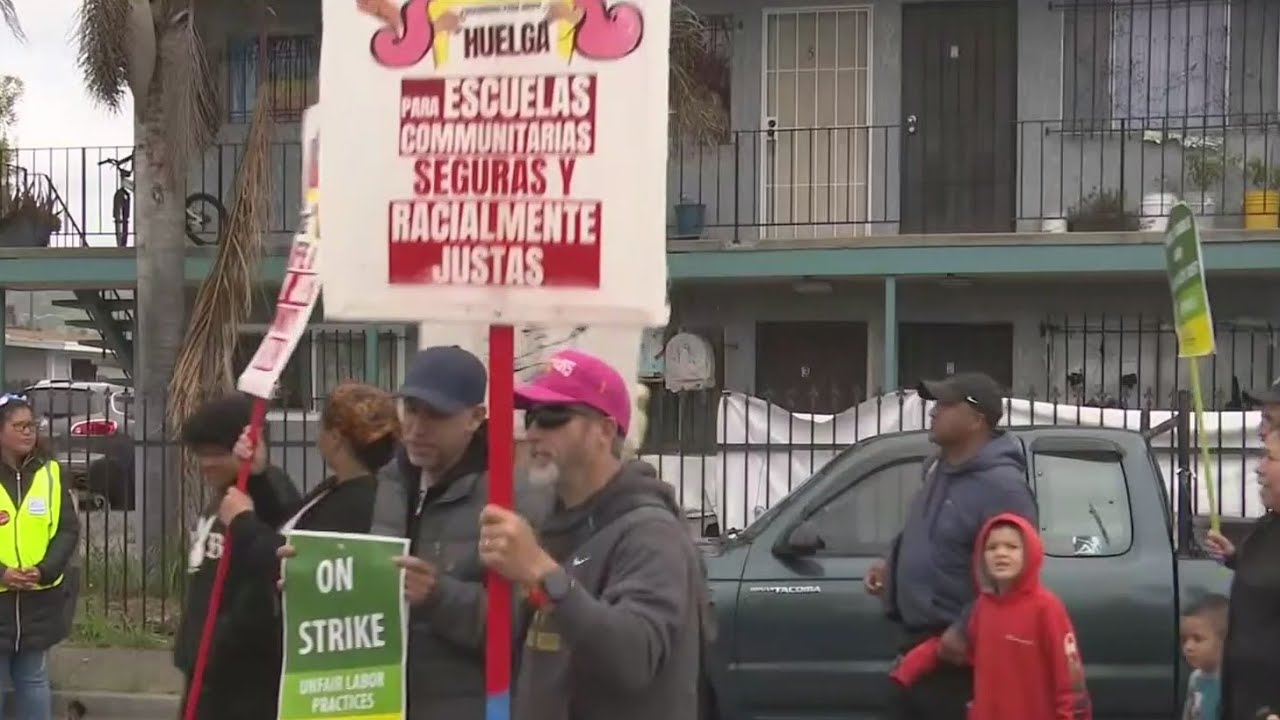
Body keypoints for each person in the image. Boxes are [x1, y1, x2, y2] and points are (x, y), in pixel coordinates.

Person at [478, 348, 703, 720]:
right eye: (530, 417)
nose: (533, 433)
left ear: (604, 430)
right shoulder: (556, 524)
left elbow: (633, 658)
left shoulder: (650, 533)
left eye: (553, 417)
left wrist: (542, 572)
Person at [360, 346, 551, 719]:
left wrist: (438, 595)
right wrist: (309, 584)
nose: (417, 428)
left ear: (475, 418)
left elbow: (521, 628)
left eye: (437, 415)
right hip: (382, 700)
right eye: (411, 409)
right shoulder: (390, 483)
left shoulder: (511, 500)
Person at [865, 372, 1037, 720]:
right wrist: (891, 566)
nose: (933, 412)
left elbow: (1015, 575)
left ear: (976, 420)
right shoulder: (937, 470)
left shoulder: (1003, 488)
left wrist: (964, 629)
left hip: (960, 655)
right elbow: (923, 532)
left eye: (945, 404)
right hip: (917, 644)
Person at [173, 393, 300, 720]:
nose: (205, 463)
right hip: (203, 671)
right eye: (200, 454)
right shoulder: (220, 503)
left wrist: (258, 476)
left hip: (243, 678)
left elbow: (279, 549)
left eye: (216, 453)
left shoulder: (265, 497)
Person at [891, 514, 1091, 720]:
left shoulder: (1047, 609)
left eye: (1012, 547)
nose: (1001, 553)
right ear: (980, 556)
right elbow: (947, 647)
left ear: (1030, 552)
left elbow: (1070, 682)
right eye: (992, 547)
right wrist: (907, 669)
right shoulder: (982, 608)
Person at [220, 381, 401, 573]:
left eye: (322, 426)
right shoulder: (338, 487)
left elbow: (298, 565)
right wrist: (258, 476)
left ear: (336, 438)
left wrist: (242, 522)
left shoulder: (358, 502)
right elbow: (287, 526)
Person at [0, 393, 79, 720]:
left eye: (32, 425)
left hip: (38, 598)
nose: (28, 432)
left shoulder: (51, 473)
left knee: (33, 678)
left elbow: (67, 529)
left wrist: (44, 570)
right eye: (19, 426)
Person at [1200, 428, 1280, 720]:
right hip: (1244, 699)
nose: (1258, 468)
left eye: (1269, 458)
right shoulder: (1268, 525)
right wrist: (1234, 557)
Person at [1179, 594, 1228, 720]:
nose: (1188, 647)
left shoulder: (1233, 682)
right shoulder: (1195, 679)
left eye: (1197, 639)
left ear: (1224, 640)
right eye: (1184, 639)